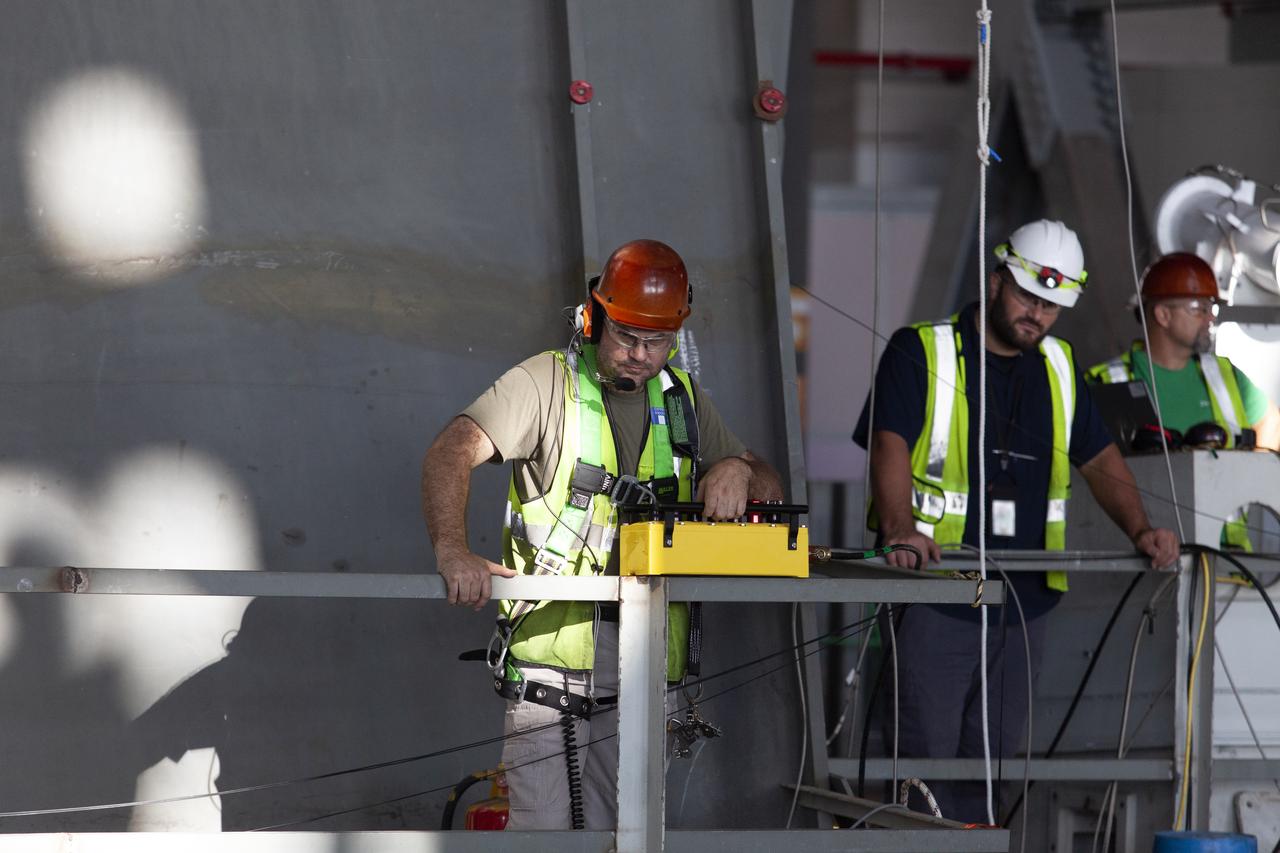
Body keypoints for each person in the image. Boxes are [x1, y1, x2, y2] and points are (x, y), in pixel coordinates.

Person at [421, 238, 783, 830]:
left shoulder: (684, 400)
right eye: (627, 337)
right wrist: (452, 550)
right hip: (550, 676)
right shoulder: (546, 384)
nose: (641, 355)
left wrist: (739, 469)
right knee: (545, 840)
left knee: (627, 841)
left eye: (657, 341)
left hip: (647, 674)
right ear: (594, 318)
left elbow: (768, 483)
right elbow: (450, 451)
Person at [852, 219, 1179, 822]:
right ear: (996, 278)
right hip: (934, 595)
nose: (1037, 314)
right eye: (1029, 296)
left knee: (994, 765)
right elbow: (889, 442)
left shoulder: (1058, 365)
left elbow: (1100, 460)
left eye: (1052, 306)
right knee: (923, 768)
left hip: (1024, 605)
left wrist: (1140, 528)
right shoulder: (920, 349)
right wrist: (899, 527)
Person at [1085, 252, 1280, 549]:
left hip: (1228, 558)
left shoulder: (1227, 377)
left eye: (1211, 307)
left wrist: (1246, 478)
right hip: (1144, 557)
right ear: (1163, 315)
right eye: (1199, 308)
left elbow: (1271, 428)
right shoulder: (1104, 382)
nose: (1211, 317)